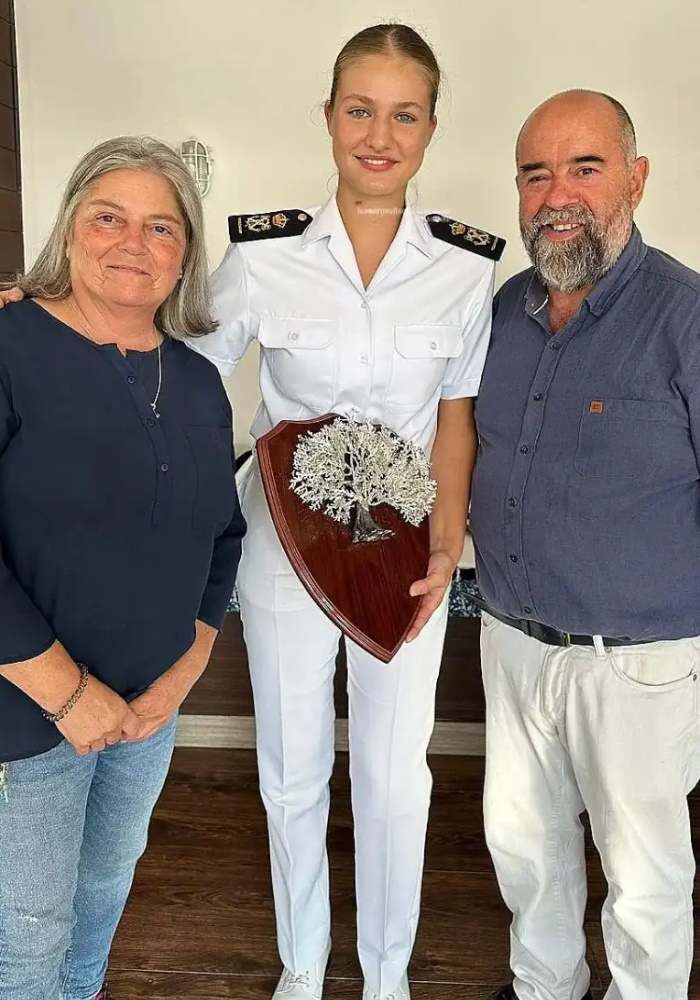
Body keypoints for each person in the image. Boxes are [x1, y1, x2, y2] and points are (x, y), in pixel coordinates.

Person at [187, 23, 504, 1000]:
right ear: (328, 118)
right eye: (359, 110)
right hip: (284, 540)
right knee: (290, 767)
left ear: (430, 127)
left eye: (402, 114)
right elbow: (190, 373)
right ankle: (299, 967)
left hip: (400, 542)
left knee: (393, 776)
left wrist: (446, 539)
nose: (379, 134)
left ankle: (385, 976)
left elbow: (456, 418)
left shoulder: (464, 266)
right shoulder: (263, 253)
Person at [0, 136, 245, 1000]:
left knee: (103, 894)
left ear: (187, 257)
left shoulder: (197, 382)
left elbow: (224, 537)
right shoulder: (8, 346)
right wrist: (71, 695)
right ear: (70, 228)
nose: (132, 243)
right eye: (109, 217)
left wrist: (187, 669)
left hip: (146, 716)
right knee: (26, 929)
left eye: (161, 227)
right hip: (28, 718)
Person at [470, 89, 700, 1000]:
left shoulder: (685, 317)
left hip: (638, 664)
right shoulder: (500, 315)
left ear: (636, 180)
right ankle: (544, 988)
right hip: (513, 642)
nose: (556, 193)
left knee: (642, 879)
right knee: (525, 851)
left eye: (585, 167)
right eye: (536, 174)